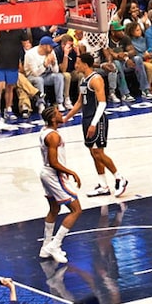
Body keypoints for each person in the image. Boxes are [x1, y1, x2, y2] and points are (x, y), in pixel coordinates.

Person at [38, 101, 83, 265]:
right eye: (58, 113)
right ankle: (55, 245)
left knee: (54, 208)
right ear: (52, 119)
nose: (60, 114)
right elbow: (53, 162)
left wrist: (79, 102)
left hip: (45, 173)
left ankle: (45, 247)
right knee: (76, 210)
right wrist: (71, 172)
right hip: (54, 174)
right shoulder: (53, 136)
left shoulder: (46, 131)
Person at [80, 61, 127, 198]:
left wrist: (94, 124)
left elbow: (102, 103)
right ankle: (103, 185)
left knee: (98, 152)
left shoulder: (96, 79)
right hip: (87, 118)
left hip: (97, 119)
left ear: (84, 64)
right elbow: (79, 102)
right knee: (93, 153)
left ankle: (119, 178)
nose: (75, 65)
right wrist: (66, 118)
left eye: (77, 63)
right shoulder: (84, 80)